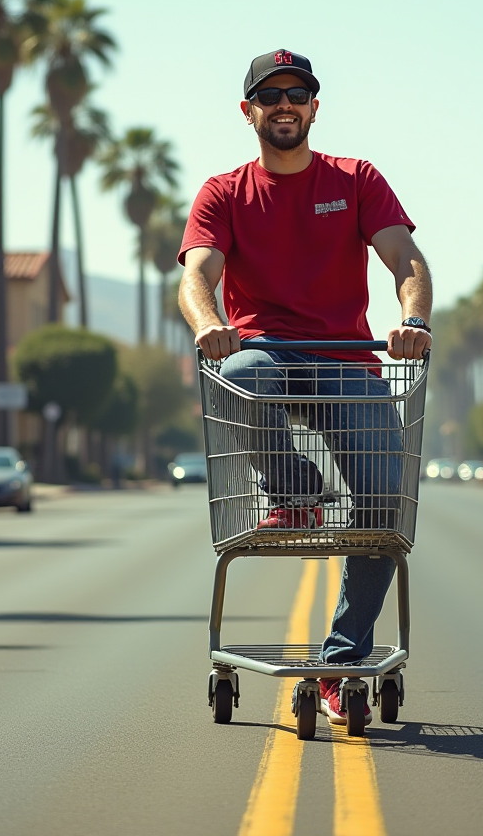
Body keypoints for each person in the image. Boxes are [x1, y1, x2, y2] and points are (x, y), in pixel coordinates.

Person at [178, 48, 432, 726]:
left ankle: (343, 660)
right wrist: (210, 324)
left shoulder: (355, 179)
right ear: (249, 111)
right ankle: (294, 492)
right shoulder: (225, 192)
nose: (284, 104)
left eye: (297, 94)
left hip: (348, 362)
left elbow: (404, 256)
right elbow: (197, 276)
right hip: (264, 350)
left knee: (383, 505)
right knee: (240, 377)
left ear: (315, 107)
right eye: (270, 95)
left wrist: (411, 319)